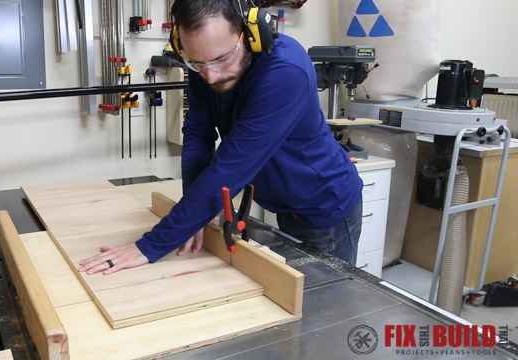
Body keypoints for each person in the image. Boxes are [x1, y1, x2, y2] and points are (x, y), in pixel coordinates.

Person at [78, 0, 363, 275]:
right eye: (197, 63)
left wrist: (149, 246)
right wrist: (195, 213)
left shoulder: (285, 71)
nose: (211, 77)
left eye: (221, 59)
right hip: (285, 203)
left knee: (321, 305)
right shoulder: (205, 68)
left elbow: (231, 167)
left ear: (250, 34)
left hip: (326, 207)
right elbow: (197, 135)